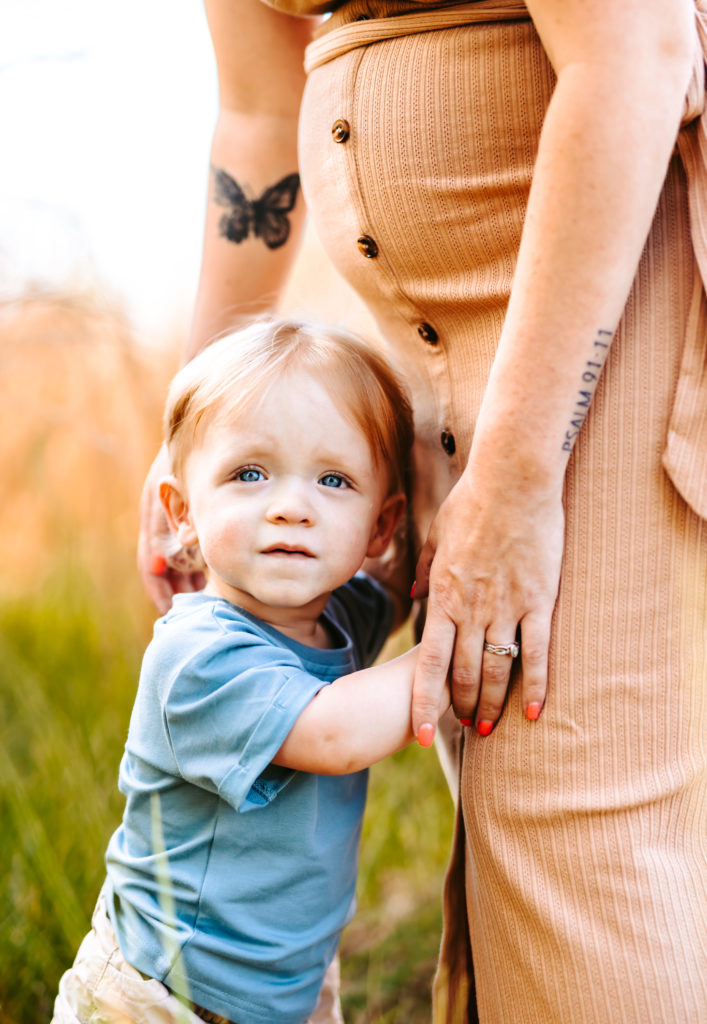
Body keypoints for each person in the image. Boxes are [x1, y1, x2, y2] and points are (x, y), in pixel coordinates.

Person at [138, 0, 707, 1020]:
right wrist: (201, 419)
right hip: (450, 360)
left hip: (601, 315)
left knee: (588, 843)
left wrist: (517, 477)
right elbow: (260, 116)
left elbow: (634, 48)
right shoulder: (200, 658)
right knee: (518, 835)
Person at [53, 318, 449, 1024]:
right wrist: (458, 630)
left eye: (333, 480)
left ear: (380, 526)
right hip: (160, 997)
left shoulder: (336, 615)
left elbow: (389, 592)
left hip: (277, 994)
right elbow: (334, 735)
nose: (291, 507)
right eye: (249, 474)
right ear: (182, 513)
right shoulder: (198, 656)